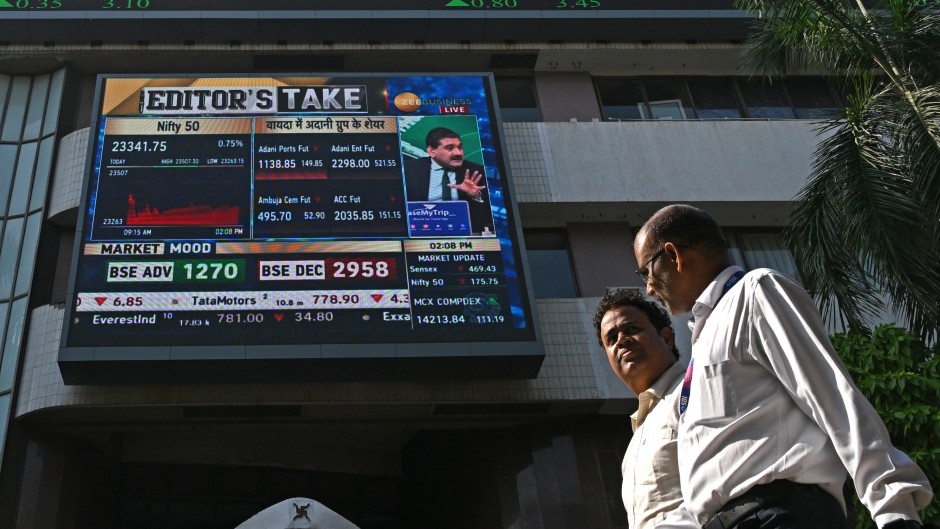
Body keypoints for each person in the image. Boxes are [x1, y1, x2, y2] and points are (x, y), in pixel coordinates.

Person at [633, 204, 933, 529]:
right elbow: (709, 479)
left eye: (646, 272)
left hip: (779, 516)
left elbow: (833, 396)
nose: (649, 287)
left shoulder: (756, 292)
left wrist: (894, 509)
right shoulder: (703, 340)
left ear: (674, 254)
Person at [593, 289, 694, 529]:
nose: (622, 340)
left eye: (631, 330)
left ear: (667, 338)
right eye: (611, 339)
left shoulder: (696, 389)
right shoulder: (636, 440)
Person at [403, 127, 493, 235]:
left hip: (463, 233)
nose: (458, 153)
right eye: (449, 148)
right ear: (431, 151)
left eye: (460, 147)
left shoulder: (476, 171)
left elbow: (488, 218)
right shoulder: (409, 169)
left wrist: (475, 197)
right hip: (420, 231)